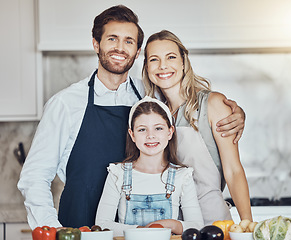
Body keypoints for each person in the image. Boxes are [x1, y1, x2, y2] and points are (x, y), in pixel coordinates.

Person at [17, 5, 245, 229]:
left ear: (137, 53)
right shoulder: (65, 104)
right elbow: (34, 177)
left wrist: (233, 110)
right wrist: (51, 229)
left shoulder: (149, 96)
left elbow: (186, 100)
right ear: (96, 44)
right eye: (112, 39)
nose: (120, 47)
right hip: (81, 226)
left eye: (129, 41)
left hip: (141, 227)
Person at [142, 30, 253, 224]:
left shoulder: (213, 104)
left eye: (171, 57)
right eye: (154, 59)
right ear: (147, 67)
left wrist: (247, 225)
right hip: (168, 225)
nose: (163, 66)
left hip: (211, 222)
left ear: (183, 62)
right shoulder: (153, 115)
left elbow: (233, 171)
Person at [95, 96, 204, 236]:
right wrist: (143, 232)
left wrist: (169, 224)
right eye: (142, 130)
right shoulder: (118, 174)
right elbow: (102, 224)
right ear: (132, 135)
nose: (150, 136)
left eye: (158, 128)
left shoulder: (182, 176)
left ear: (170, 132)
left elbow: (197, 227)